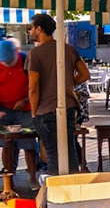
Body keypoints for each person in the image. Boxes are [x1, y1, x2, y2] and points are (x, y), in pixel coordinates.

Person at [27, 14, 90, 175]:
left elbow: (33, 86)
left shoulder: (35, 53)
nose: (30, 31)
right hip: (69, 107)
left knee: (53, 154)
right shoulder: (67, 49)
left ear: (39, 29)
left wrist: (34, 112)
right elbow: (84, 74)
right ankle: (75, 187)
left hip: (46, 109)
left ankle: (58, 194)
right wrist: (66, 83)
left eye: (31, 28)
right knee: (70, 151)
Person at [0, 38, 38, 185]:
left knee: (28, 144)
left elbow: (36, 85)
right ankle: (9, 181)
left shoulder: (25, 61)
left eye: (10, 62)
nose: (7, 65)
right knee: (6, 145)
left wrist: (25, 100)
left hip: (26, 109)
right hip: (5, 109)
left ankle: (33, 179)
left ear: (16, 54)